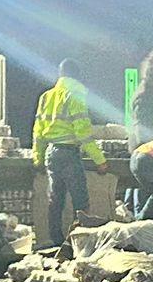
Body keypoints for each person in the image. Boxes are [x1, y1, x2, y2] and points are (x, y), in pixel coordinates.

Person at [31, 60, 106, 246]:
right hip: (69, 154)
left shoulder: (46, 97)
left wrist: (37, 158)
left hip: (51, 153)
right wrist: (99, 160)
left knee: (55, 200)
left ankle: (56, 242)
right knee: (80, 201)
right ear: (77, 76)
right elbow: (83, 133)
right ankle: (79, 243)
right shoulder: (75, 96)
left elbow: (38, 132)